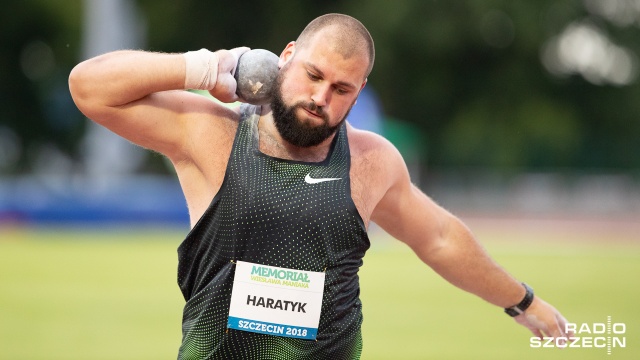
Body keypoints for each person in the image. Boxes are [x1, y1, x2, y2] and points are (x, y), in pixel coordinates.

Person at [69, 13, 572, 360]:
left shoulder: (372, 162)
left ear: (360, 93)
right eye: (313, 75)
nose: (320, 97)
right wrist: (205, 67)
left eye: (341, 89)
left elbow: (439, 237)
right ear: (286, 56)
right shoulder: (212, 132)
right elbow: (89, 88)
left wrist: (524, 302)